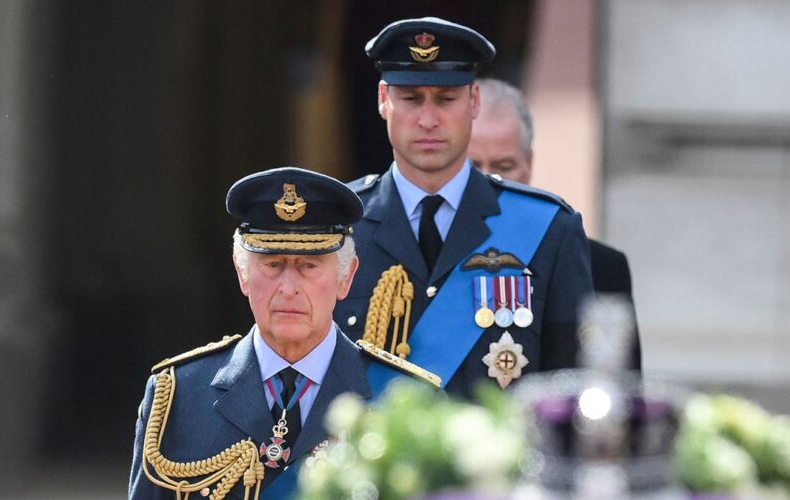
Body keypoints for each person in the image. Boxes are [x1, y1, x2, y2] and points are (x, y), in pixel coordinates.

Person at [128, 167, 440, 500]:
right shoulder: (178, 395)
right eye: (273, 265)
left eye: (309, 266)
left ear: (346, 277)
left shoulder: (406, 397)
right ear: (242, 274)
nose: (289, 288)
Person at [333, 17, 594, 400]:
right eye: (411, 98)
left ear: (473, 101)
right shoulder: (337, 228)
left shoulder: (548, 229)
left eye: (445, 99)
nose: (428, 119)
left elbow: (572, 386)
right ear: (382, 100)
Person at [468, 77, 642, 370]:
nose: (491, 181)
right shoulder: (424, 255)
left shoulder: (601, 266)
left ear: (530, 163)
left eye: (504, 166)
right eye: (473, 167)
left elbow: (620, 393)